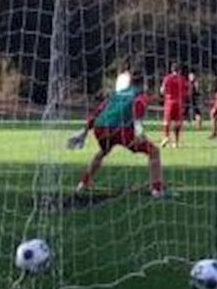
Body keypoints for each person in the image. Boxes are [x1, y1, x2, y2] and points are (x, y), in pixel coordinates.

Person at [68, 70, 166, 198]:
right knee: (154, 151)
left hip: (100, 128)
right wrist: (139, 131)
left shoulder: (115, 95)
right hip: (121, 130)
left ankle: (82, 184)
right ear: (144, 84)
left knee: (102, 152)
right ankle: (157, 190)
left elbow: (98, 112)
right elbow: (138, 108)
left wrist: (84, 131)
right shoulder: (139, 95)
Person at [159, 64, 188, 148]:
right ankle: (176, 142)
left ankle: (166, 137)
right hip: (179, 102)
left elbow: (162, 90)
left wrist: (166, 95)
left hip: (169, 101)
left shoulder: (167, 78)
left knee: (166, 121)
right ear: (179, 70)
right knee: (177, 122)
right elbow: (186, 91)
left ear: (172, 70)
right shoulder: (182, 79)